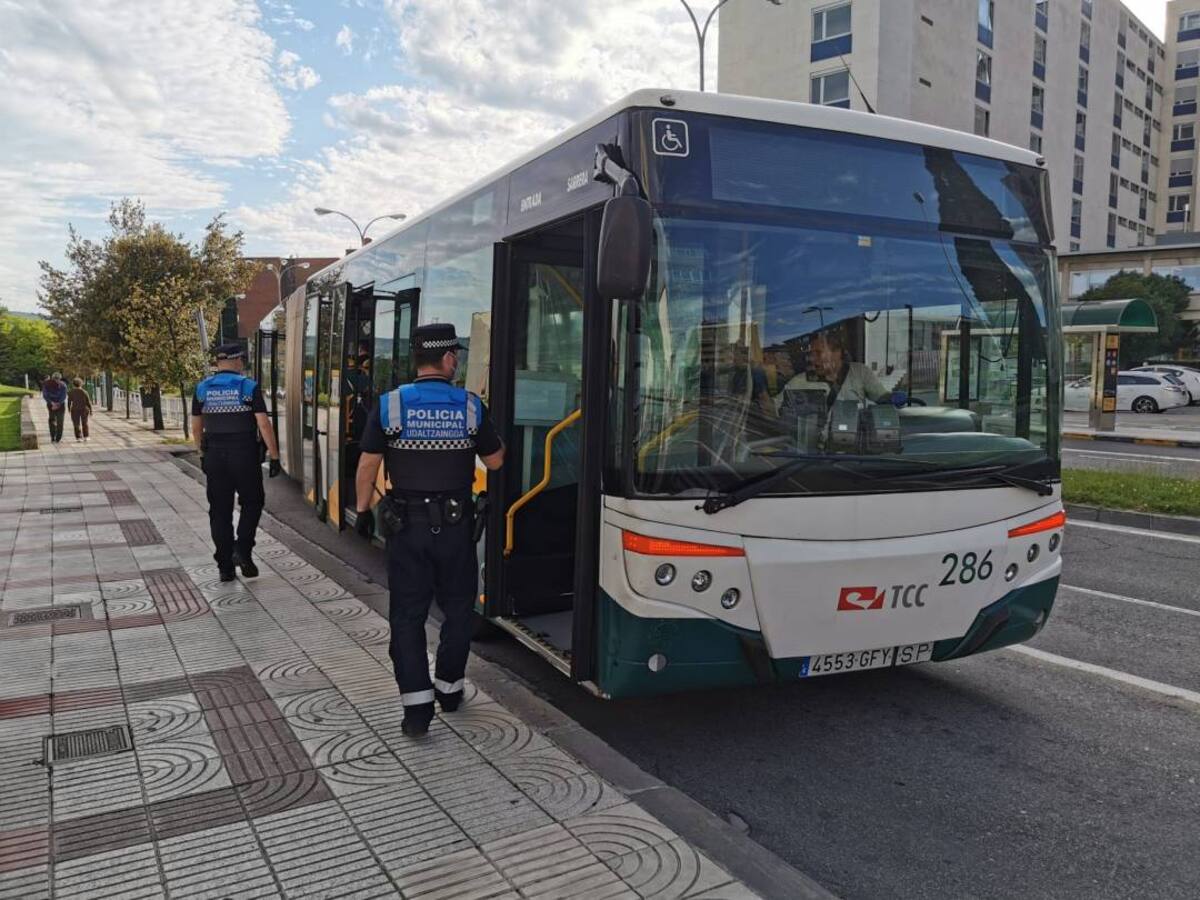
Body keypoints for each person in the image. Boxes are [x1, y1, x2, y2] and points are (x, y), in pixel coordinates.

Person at [353, 323, 504, 737]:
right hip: (457, 530)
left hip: (407, 529)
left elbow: (367, 466)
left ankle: (417, 710)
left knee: (407, 616)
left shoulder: (390, 406)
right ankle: (449, 690)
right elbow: (495, 462)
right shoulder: (471, 407)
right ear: (450, 359)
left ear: (417, 360)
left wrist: (363, 511)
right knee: (458, 612)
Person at [192, 344, 282, 583]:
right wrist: (274, 456)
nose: (243, 363)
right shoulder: (247, 387)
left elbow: (196, 426)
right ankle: (242, 548)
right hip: (244, 454)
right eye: (242, 359)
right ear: (236, 360)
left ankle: (225, 568)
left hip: (214, 455)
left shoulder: (202, 389)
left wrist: (201, 453)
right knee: (252, 502)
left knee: (219, 511)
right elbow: (263, 424)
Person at [41, 373, 67, 443]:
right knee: (60, 421)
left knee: (52, 420)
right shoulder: (63, 385)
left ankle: (53, 437)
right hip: (60, 405)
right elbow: (63, 396)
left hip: (52, 405)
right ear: (60, 378)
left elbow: (45, 395)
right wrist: (57, 403)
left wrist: (52, 403)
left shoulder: (46, 385)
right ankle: (58, 438)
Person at [67, 378, 92, 442]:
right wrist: (91, 410)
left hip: (75, 409)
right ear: (81, 384)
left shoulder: (71, 392)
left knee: (76, 424)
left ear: (73, 384)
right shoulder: (84, 392)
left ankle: (78, 437)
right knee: (85, 423)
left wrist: (69, 409)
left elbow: (69, 401)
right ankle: (86, 436)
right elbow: (88, 402)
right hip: (84, 409)